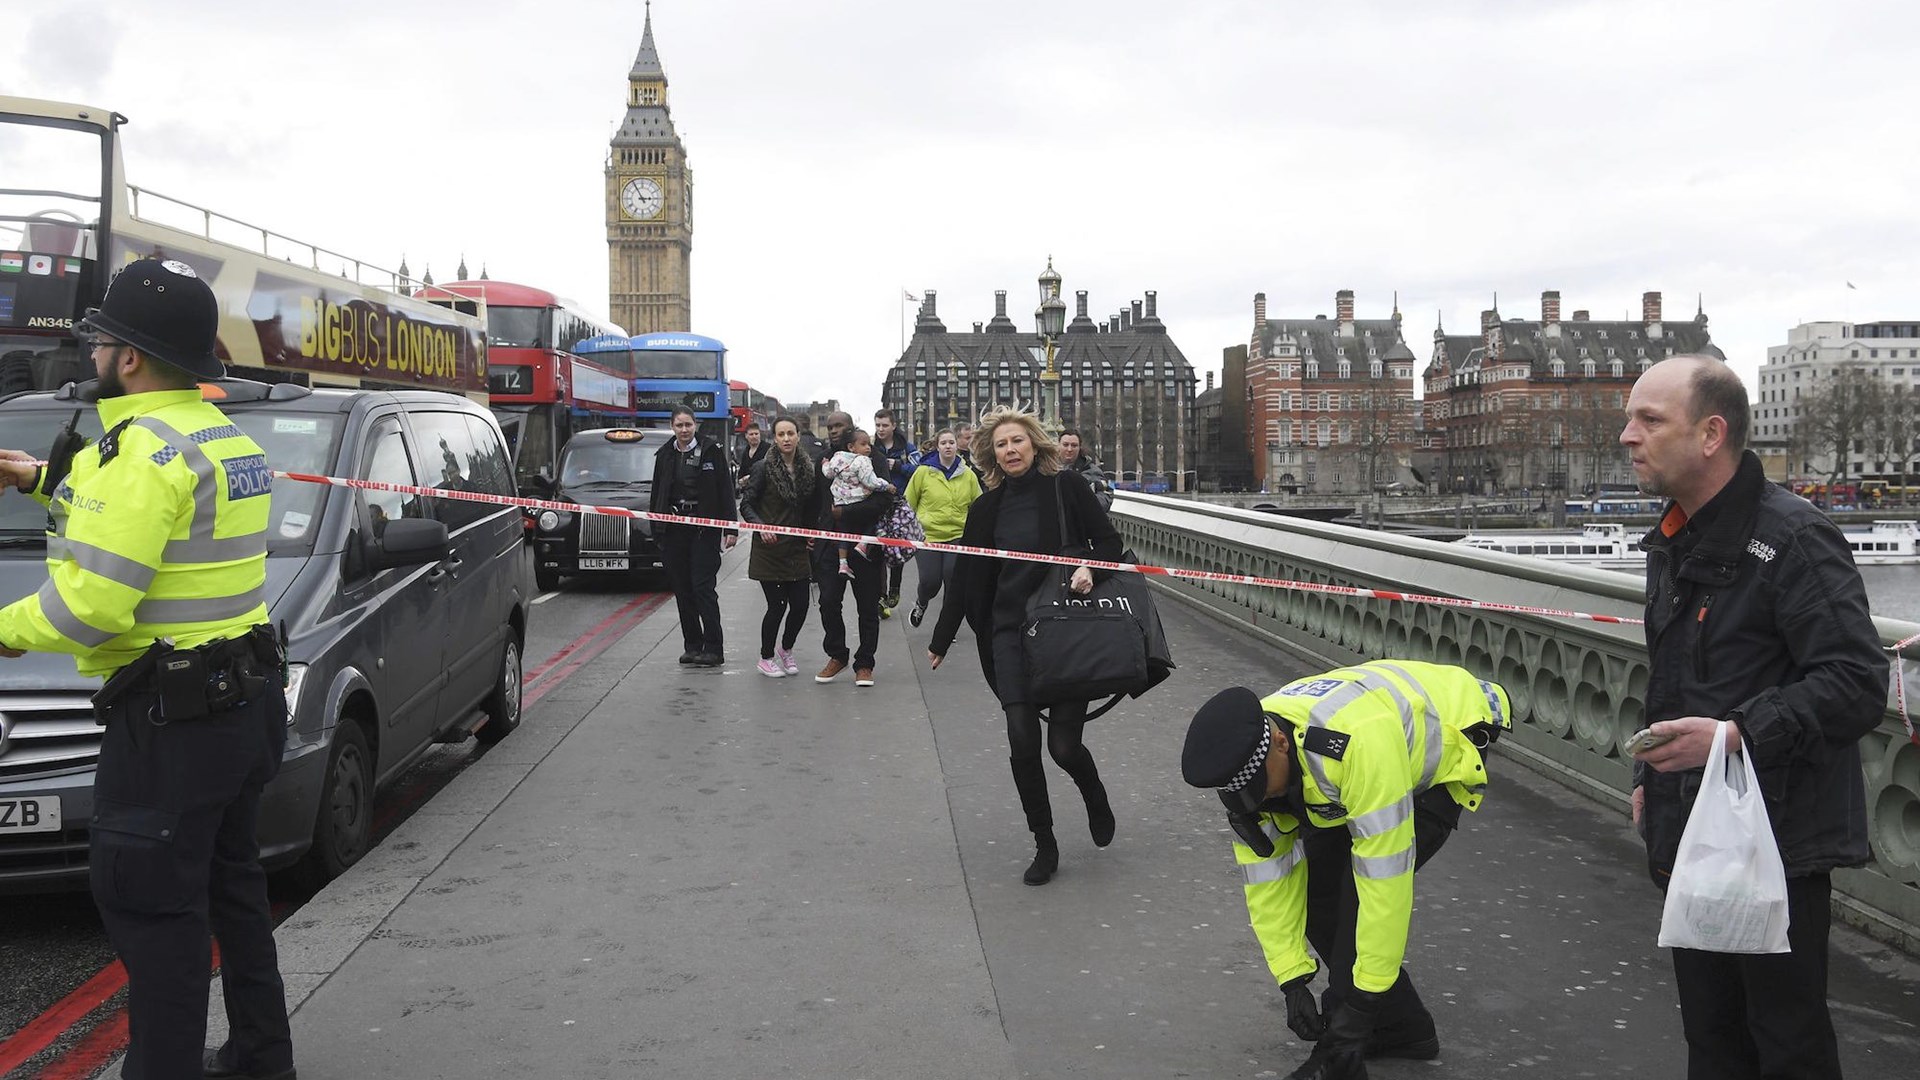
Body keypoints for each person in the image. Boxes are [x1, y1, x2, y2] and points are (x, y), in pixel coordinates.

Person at [0, 258, 295, 1080]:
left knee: (155, 922)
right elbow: (150, 525)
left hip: (168, 729)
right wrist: (39, 480)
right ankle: (264, 1060)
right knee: (235, 897)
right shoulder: (218, 437)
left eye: (100, 340)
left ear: (129, 357)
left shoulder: (137, 455)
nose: (92, 351)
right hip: (241, 704)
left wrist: (5, 630)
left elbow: (90, 608)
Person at [1620, 355, 1887, 1080]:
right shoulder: (1678, 535)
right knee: (1712, 1040)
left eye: (1649, 420)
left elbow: (1857, 681)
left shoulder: (1793, 538)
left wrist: (1735, 736)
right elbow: (1677, 679)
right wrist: (1650, 775)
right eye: (1630, 418)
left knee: (1786, 1042)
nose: (1627, 436)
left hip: (1777, 835)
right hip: (1696, 828)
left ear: (1710, 434)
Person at [1181, 663, 1510, 1080]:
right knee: (1319, 895)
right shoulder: (1246, 749)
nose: (1257, 801)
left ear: (1280, 743)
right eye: (1243, 795)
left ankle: (1343, 1048)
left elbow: (1383, 887)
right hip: (1353, 756)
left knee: (1356, 897)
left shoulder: (1354, 747)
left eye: (1260, 788)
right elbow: (1269, 879)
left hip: (1447, 738)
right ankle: (1404, 1030)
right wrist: (1292, 978)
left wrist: (1354, 1012)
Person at [926, 408, 1121, 885]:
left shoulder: (1067, 489)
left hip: (1061, 630)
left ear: (1035, 444)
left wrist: (1091, 568)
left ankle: (1092, 791)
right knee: (1021, 738)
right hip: (1008, 634)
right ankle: (1045, 842)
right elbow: (966, 576)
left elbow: (1111, 545)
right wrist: (943, 637)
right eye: (1000, 445)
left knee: (1063, 746)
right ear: (990, 455)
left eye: (1017, 441)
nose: (1010, 450)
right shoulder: (986, 508)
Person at [649, 405, 739, 667]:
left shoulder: (712, 451)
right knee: (682, 589)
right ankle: (692, 646)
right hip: (675, 530)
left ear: (696, 425)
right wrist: (657, 529)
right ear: (672, 427)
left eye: (688, 425)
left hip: (704, 531)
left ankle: (714, 648)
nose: (684, 430)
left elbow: (725, 491)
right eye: (679, 425)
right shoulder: (665, 454)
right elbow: (657, 494)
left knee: (703, 588)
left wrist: (730, 528)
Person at [811, 411, 886, 687]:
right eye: (829, 426)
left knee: (867, 606)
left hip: (865, 542)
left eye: (838, 425)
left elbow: (882, 501)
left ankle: (864, 663)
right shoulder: (824, 461)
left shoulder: (872, 457)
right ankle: (837, 655)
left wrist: (846, 513)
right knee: (828, 601)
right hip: (830, 544)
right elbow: (817, 499)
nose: (832, 430)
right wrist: (813, 531)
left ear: (850, 428)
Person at [739, 417, 816, 678]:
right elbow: (746, 505)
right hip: (769, 549)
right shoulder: (763, 467)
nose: (786, 438)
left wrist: (811, 531)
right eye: (781, 434)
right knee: (777, 605)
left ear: (798, 436)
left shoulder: (807, 468)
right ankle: (766, 657)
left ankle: (786, 649)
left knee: (801, 605)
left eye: (790, 433)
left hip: (796, 548)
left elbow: (809, 507)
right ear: (774, 437)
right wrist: (762, 527)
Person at [902, 428, 981, 628]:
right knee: (930, 582)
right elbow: (908, 502)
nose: (948, 446)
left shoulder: (968, 475)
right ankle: (921, 603)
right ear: (937, 446)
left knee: (952, 579)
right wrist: (906, 531)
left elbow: (979, 506)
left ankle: (946, 626)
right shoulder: (923, 472)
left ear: (957, 446)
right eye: (944, 442)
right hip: (928, 535)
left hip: (957, 535)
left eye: (951, 442)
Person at [822, 427, 896, 577]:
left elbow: (828, 473)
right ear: (851, 446)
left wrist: (824, 463)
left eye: (869, 444)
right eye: (864, 444)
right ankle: (863, 544)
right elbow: (870, 482)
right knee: (875, 522)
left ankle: (843, 563)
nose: (868, 448)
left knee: (843, 532)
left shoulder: (838, 458)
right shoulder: (863, 461)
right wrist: (887, 486)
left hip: (840, 500)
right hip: (858, 499)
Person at [872, 409, 918, 613]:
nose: (880, 429)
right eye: (877, 425)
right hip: (879, 504)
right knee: (880, 551)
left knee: (898, 550)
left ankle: (894, 589)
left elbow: (919, 469)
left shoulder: (907, 448)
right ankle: (881, 597)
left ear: (893, 426)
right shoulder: (872, 448)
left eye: (884, 425)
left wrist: (898, 465)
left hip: (900, 505)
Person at [1059, 429, 1114, 512]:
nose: (1069, 449)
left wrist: (1084, 504)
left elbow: (1105, 497)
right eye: (1065, 445)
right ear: (1058, 445)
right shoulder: (1047, 469)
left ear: (1080, 447)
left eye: (1074, 445)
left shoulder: (1091, 471)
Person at [733, 423, 767, 492]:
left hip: (764, 493)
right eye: (751, 434)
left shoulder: (768, 449)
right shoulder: (745, 452)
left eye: (756, 434)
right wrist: (741, 480)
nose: (754, 436)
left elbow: (769, 470)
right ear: (746, 436)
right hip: (749, 493)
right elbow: (742, 471)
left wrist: (749, 478)